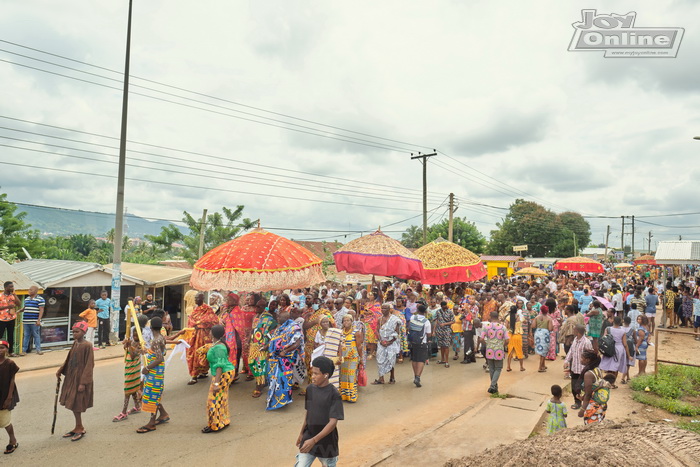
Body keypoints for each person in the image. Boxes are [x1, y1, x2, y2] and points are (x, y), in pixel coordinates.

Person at [295, 356, 344, 467]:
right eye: (312, 373)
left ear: (325, 375)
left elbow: (332, 423)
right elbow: (309, 413)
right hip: (309, 437)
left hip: (326, 442)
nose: (312, 377)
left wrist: (314, 440)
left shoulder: (334, 395)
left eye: (316, 374)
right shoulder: (310, 389)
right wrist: (302, 433)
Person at [56, 321, 94, 441]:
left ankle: (80, 427)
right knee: (72, 402)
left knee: (77, 403)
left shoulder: (87, 345)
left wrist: (83, 382)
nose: (75, 334)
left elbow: (89, 365)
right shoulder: (75, 343)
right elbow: (69, 358)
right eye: (73, 332)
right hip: (72, 377)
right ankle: (78, 426)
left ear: (84, 332)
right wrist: (61, 370)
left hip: (80, 379)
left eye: (77, 332)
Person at [136, 317, 170, 433]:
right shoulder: (160, 338)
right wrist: (145, 351)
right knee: (154, 393)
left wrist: (146, 368)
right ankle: (163, 414)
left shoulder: (156, 340)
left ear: (150, 327)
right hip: (157, 371)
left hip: (155, 372)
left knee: (152, 395)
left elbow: (159, 358)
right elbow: (157, 353)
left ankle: (151, 423)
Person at [267, 310, 305, 411]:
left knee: (283, 378)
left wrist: (285, 351)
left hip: (285, 360)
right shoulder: (280, 328)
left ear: (286, 317)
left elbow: (297, 343)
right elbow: (273, 341)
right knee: (273, 378)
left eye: (279, 317)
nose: (278, 318)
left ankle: (284, 400)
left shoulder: (294, 327)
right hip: (275, 359)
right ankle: (275, 399)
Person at [202, 325, 235, 433]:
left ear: (213, 333)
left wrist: (216, 384)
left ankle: (215, 424)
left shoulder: (219, 347)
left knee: (214, 399)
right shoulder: (216, 344)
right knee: (221, 397)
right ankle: (222, 421)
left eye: (210, 331)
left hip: (223, 373)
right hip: (222, 373)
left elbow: (220, 366)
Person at [186, 293, 219, 385]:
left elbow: (214, 320)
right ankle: (194, 374)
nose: (196, 299)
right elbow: (190, 320)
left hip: (204, 335)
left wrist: (199, 324)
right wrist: (196, 324)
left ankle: (201, 373)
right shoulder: (194, 309)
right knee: (192, 353)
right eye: (195, 298)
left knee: (203, 354)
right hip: (194, 335)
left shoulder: (207, 309)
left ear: (202, 298)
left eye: (198, 298)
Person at [112, 329, 143, 422]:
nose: (135, 336)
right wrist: (126, 344)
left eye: (137, 335)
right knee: (132, 387)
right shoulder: (133, 341)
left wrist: (129, 346)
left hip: (134, 368)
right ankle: (137, 406)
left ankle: (124, 412)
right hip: (129, 367)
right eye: (134, 334)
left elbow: (133, 355)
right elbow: (126, 349)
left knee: (128, 389)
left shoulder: (141, 344)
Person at [249, 299, 278, 398]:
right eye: (256, 306)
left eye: (258, 306)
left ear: (263, 307)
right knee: (252, 363)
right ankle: (263, 381)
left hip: (262, 346)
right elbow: (253, 330)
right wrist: (249, 340)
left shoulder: (269, 319)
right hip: (254, 345)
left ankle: (259, 387)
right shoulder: (256, 317)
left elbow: (273, 334)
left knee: (259, 366)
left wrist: (267, 345)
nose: (256, 308)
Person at [578, 349, 613, 425]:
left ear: (587, 360)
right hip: (601, 405)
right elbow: (595, 387)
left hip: (593, 407)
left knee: (591, 427)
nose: (580, 359)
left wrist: (582, 409)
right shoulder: (597, 370)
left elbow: (588, 394)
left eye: (582, 358)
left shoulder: (588, 374)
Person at [479, 310, 509, 394]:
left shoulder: (486, 326)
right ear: (498, 317)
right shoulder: (502, 327)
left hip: (489, 350)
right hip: (499, 350)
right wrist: (502, 345)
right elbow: (507, 340)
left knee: (491, 368)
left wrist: (487, 343)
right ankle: (492, 386)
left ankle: (494, 386)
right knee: (498, 368)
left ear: (490, 317)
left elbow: (481, 339)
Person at [565, 325, 592, 410]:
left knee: (585, 387)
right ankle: (577, 402)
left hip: (583, 369)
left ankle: (587, 402)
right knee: (574, 386)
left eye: (574, 330)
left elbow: (590, 355)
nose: (573, 332)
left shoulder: (586, 342)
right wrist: (566, 361)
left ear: (578, 332)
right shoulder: (575, 341)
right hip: (574, 368)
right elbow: (571, 351)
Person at [373, 304, 400, 385]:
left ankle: (392, 378)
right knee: (380, 360)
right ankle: (381, 378)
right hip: (382, 342)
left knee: (390, 360)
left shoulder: (395, 320)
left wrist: (389, 342)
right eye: (382, 308)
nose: (383, 310)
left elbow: (397, 333)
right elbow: (377, 330)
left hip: (391, 343)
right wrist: (381, 341)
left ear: (389, 309)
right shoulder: (379, 319)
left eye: (385, 308)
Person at [599, 316, 630, 388]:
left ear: (613, 321)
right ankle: (612, 383)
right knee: (616, 366)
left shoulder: (608, 329)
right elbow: (625, 344)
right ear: (620, 323)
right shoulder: (622, 331)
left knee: (609, 366)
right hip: (619, 349)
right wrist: (628, 354)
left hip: (609, 348)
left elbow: (604, 339)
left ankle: (607, 382)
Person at [0, 340, 19, 454]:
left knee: (5, 421)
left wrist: (9, 398)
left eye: (2, 347)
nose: (0, 350)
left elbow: (12, 380)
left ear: (7, 349)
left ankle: (13, 440)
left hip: (4, 396)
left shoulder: (10, 363)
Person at [339, 315, 362, 401]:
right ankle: (344, 396)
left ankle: (352, 396)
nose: (346, 322)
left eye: (348, 320)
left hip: (353, 357)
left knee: (351, 375)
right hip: (343, 357)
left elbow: (359, 346)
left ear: (352, 321)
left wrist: (361, 359)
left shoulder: (356, 332)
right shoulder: (341, 332)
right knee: (344, 376)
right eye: (344, 320)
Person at [409, 304, 432, 388]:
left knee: (414, 359)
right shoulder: (426, 321)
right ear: (425, 312)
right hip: (422, 342)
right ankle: (418, 377)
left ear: (417, 310)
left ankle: (415, 375)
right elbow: (429, 334)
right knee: (421, 360)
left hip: (413, 342)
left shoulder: (412, 318)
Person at [19, 285, 44, 356]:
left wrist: (38, 320)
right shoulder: (26, 299)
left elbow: (41, 310)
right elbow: (25, 308)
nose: (29, 291)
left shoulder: (40, 299)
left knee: (36, 335)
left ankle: (38, 350)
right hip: (26, 321)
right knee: (26, 335)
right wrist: (19, 311)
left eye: (31, 290)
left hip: (34, 321)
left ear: (36, 291)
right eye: (29, 290)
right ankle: (24, 351)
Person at [0, 282, 19, 357]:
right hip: (1, 319)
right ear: (5, 287)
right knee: (0, 336)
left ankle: (10, 352)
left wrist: (14, 294)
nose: (12, 288)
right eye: (10, 287)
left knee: (11, 336)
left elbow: (19, 304)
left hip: (11, 318)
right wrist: (7, 307)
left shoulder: (13, 295)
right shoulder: (0, 296)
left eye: (13, 286)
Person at [532, 305, 553, 372]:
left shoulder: (537, 317)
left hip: (538, 333)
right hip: (545, 334)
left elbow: (533, 326)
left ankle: (543, 365)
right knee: (544, 350)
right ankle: (540, 367)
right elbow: (550, 328)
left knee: (541, 350)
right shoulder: (549, 318)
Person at [435, 301, 455, 367]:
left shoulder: (450, 312)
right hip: (439, 330)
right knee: (441, 345)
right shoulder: (438, 312)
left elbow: (453, 321)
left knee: (446, 345)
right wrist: (434, 330)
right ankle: (442, 359)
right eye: (444, 306)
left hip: (447, 330)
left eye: (445, 305)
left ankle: (446, 361)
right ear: (441, 306)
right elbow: (436, 320)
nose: (445, 306)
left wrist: (445, 324)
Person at [506, 305, 525, 372]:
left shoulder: (508, 317)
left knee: (510, 351)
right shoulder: (519, 317)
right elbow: (525, 322)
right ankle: (521, 367)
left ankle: (508, 366)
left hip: (510, 335)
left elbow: (506, 326)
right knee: (519, 351)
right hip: (517, 335)